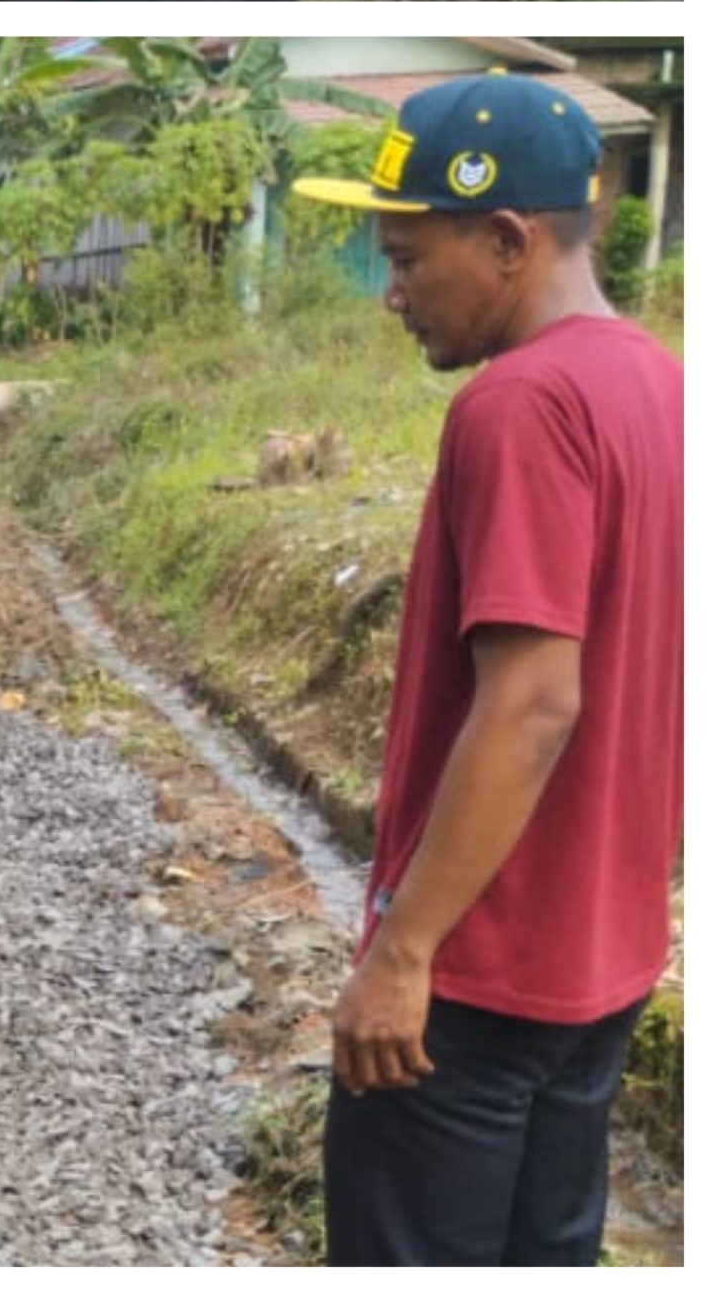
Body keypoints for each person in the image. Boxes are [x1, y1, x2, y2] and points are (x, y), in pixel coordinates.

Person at [291, 74, 681, 1267]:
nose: (393, 295)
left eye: (406, 259)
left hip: (468, 984)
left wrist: (401, 953)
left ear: (506, 239)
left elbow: (531, 704)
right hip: (600, 965)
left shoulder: (520, 403)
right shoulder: (664, 384)